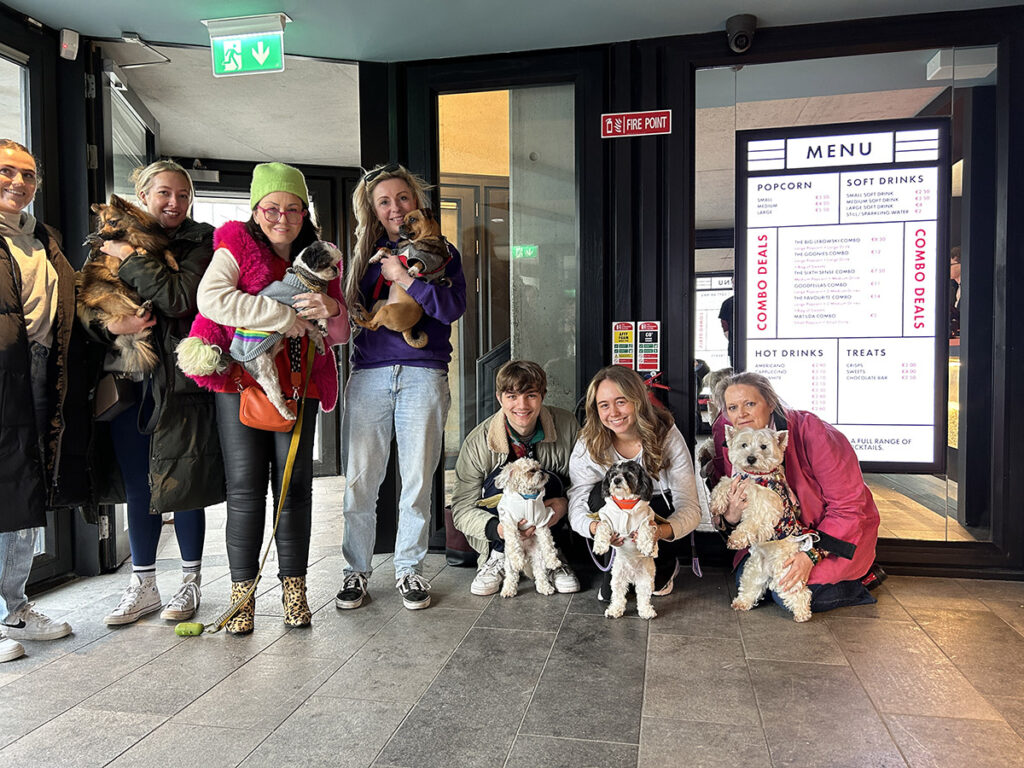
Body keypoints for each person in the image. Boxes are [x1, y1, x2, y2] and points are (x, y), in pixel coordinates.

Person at [184, 162, 348, 634]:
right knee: (244, 490)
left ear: (304, 213)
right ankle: (243, 597)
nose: (283, 216)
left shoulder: (320, 258)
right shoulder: (235, 244)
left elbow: (338, 333)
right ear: (256, 210)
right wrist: (283, 318)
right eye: (273, 207)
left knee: (294, 488)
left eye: (293, 208)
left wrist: (331, 308)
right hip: (241, 381)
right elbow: (212, 300)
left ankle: (294, 593)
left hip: (300, 382)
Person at [85, 160, 225, 626]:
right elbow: (84, 306)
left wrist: (129, 258)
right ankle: (142, 584)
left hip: (181, 382)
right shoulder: (107, 240)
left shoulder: (201, 240)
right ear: (142, 194)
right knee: (137, 486)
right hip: (125, 382)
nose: (174, 203)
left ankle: (190, 582)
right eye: (164, 193)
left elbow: (180, 297)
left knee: (185, 482)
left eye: (183, 195)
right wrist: (111, 323)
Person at [335, 163, 466, 612]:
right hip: (369, 374)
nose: (395, 208)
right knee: (360, 482)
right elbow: (345, 313)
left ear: (417, 202)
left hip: (423, 373)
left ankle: (409, 570)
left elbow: (450, 309)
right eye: (384, 201)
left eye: (403, 199)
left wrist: (405, 278)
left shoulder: (441, 250)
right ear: (372, 209)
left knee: (416, 480)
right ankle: (356, 570)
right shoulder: (361, 255)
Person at [0, 139, 85, 660]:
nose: (18, 183)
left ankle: (15, 606)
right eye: (7, 171)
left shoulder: (44, 239)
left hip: (38, 371)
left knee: (25, 487)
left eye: (28, 175)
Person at [708, 371, 881, 613]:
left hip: (826, 535)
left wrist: (810, 556)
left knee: (792, 594)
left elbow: (849, 507)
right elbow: (727, 494)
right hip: (772, 539)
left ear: (770, 403)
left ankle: (862, 579)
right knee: (750, 585)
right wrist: (731, 516)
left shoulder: (813, 432)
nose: (742, 414)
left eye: (750, 403)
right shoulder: (731, 436)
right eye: (733, 407)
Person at [568, 365, 701, 600]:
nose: (613, 412)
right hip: (613, 526)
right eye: (604, 405)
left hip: (655, 518)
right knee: (600, 495)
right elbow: (577, 502)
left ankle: (667, 562)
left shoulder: (666, 434)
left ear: (638, 400)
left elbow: (689, 505)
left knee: (654, 587)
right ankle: (614, 564)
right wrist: (595, 529)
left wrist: (660, 532)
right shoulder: (588, 442)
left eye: (621, 401)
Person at [451, 360, 580, 596]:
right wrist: (499, 530)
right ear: (500, 398)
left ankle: (552, 559)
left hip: (548, 522)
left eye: (530, 395)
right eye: (512, 396)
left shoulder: (568, 425)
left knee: (548, 478)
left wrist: (563, 506)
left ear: (542, 396)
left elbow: (583, 486)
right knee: (500, 481)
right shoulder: (477, 441)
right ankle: (498, 556)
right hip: (503, 525)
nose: (522, 405)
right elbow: (461, 508)